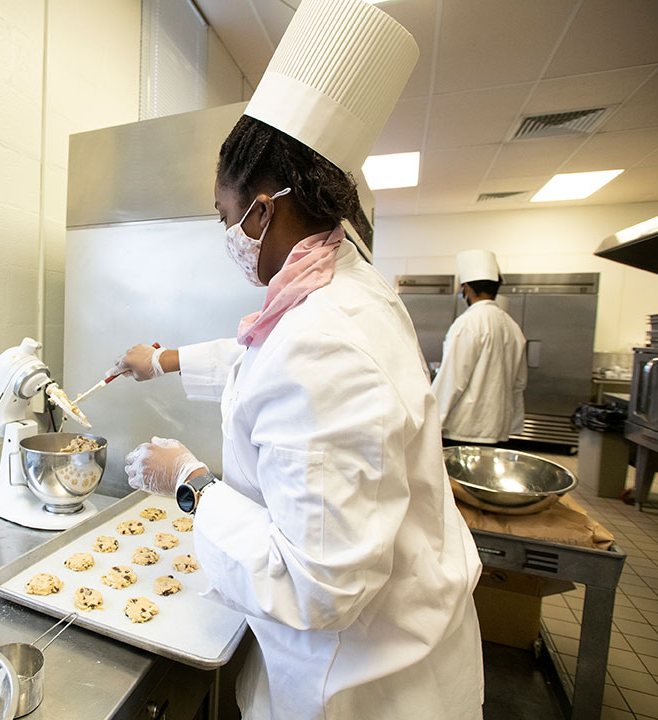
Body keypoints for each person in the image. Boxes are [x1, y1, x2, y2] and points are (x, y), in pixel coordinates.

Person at [110, 1, 484, 718]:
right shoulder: (341, 290)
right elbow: (263, 365)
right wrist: (162, 360)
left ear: (262, 208)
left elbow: (316, 584)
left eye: (226, 219)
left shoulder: (328, 336)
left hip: (365, 686)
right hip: (390, 652)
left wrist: (191, 484)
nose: (229, 237)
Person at [432, 249, 528, 445]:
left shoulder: (468, 323)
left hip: (464, 429)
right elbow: (519, 382)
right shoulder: (512, 325)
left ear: (466, 288)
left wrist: (430, 422)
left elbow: (452, 379)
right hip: (498, 428)